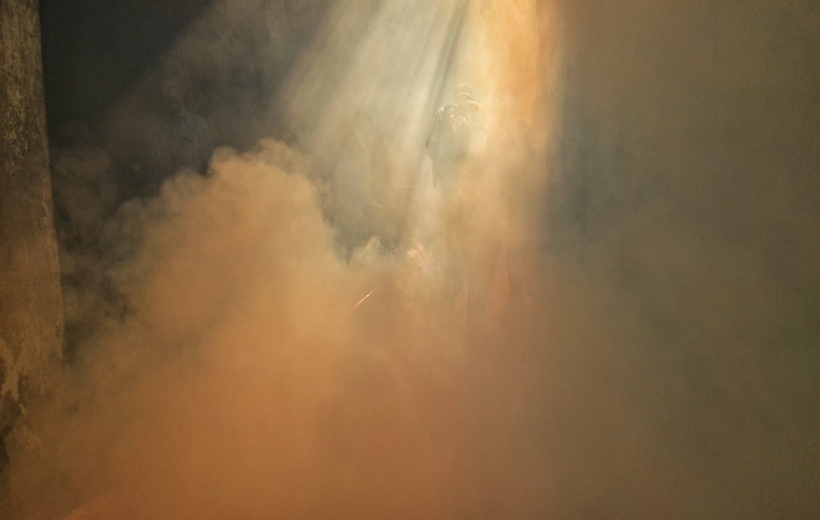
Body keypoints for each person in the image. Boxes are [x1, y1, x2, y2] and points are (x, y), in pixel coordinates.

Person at [145, 71, 213, 194]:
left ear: (181, 92)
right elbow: (152, 171)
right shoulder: (157, 127)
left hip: (192, 198)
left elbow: (209, 166)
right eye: (166, 89)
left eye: (174, 88)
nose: (171, 94)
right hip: (162, 199)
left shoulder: (197, 124)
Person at [425, 84, 486, 189]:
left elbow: (431, 145)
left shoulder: (443, 112)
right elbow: (483, 142)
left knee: (448, 195)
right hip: (469, 172)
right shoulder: (478, 112)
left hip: (446, 172)